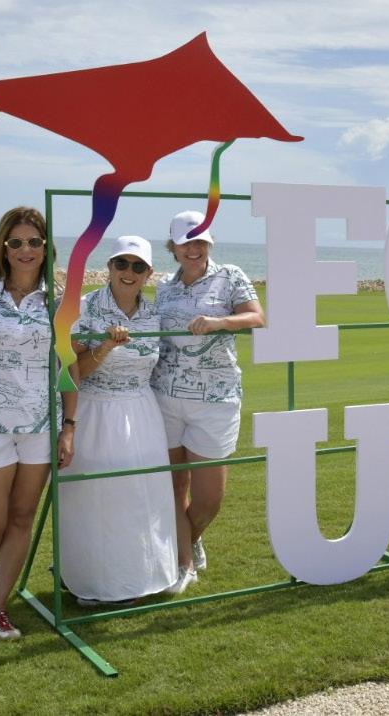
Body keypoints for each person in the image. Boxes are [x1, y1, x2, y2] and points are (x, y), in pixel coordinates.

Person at [0, 206, 75, 639]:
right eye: (16, 242)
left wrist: (68, 426)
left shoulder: (59, 300)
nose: (25, 250)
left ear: (45, 248)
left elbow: (67, 367)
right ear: (3, 248)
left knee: (22, 516)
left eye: (34, 242)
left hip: (41, 426)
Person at [60, 236, 181, 605]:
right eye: (122, 264)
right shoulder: (84, 308)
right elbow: (72, 370)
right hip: (95, 409)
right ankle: (94, 579)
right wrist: (106, 347)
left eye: (138, 266)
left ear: (149, 273)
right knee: (96, 498)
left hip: (141, 410)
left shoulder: (153, 313)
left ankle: (140, 576)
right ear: (109, 267)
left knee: (141, 496)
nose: (129, 272)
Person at [152, 210, 265, 590]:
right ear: (173, 247)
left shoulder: (230, 275)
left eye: (200, 242)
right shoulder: (164, 287)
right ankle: (182, 563)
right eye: (186, 243)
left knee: (208, 500)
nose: (194, 250)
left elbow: (257, 317)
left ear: (209, 245)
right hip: (166, 397)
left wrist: (219, 323)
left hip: (217, 399)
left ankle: (192, 537)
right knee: (174, 488)